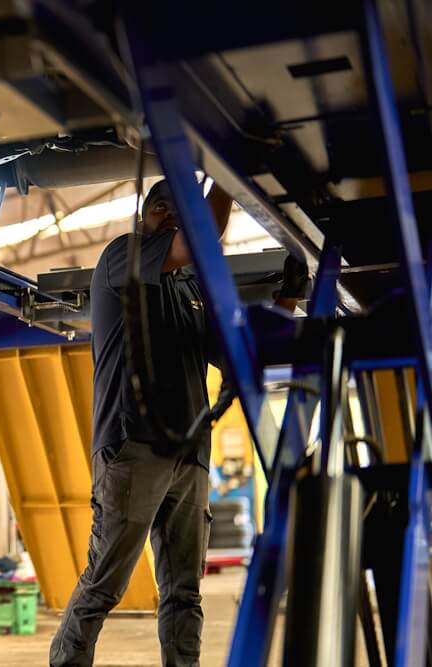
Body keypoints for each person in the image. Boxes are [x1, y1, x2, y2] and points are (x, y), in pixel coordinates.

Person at [49, 178, 306, 667]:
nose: (169, 215)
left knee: (184, 592)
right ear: (144, 216)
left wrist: (285, 303)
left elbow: (236, 355)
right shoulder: (122, 257)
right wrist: (225, 173)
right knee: (105, 583)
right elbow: (200, 241)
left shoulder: (191, 289)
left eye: (178, 207)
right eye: (160, 207)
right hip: (134, 448)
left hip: (190, 456)